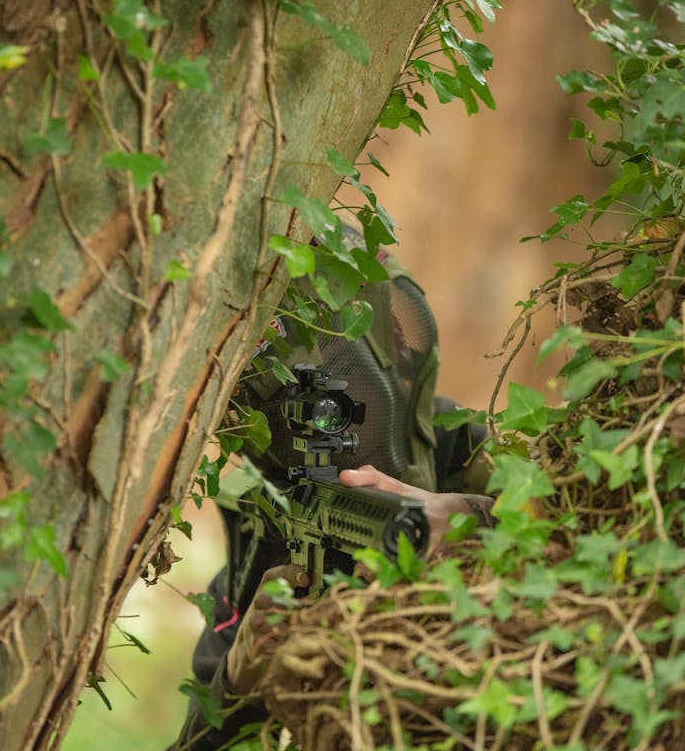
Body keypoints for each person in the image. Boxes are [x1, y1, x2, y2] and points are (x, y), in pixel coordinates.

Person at [171, 230, 495, 749]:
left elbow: (587, 529)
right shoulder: (259, 559)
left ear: (395, 354)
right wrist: (236, 681)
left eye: (339, 370)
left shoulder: (472, 455)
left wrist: (471, 519)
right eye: (282, 394)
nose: (317, 415)